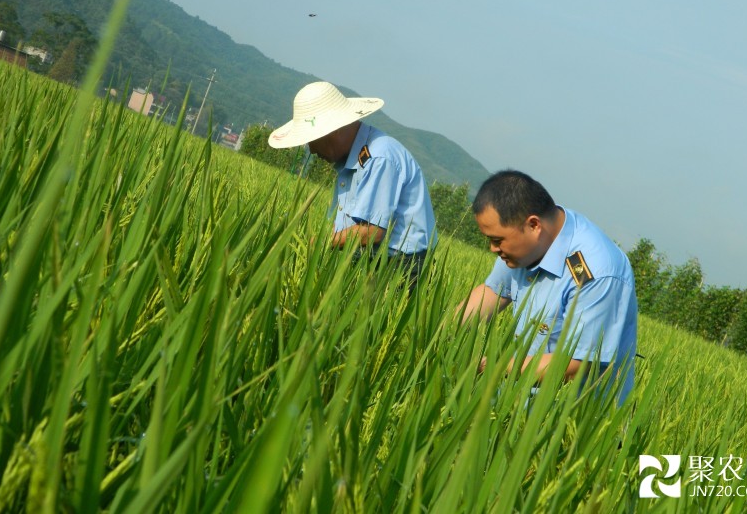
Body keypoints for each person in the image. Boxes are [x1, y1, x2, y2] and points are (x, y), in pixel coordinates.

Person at [460, 170, 637, 404]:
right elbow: (492, 292)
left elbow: (576, 364)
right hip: (519, 398)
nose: (493, 249)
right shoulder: (522, 247)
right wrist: (440, 337)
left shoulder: (595, 271)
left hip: (575, 420)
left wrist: (490, 367)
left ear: (533, 225)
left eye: (497, 240)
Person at [268, 81, 437, 288]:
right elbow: (347, 225)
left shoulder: (378, 157)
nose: (311, 149)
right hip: (370, 259)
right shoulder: (351, 160)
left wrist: (318, 243)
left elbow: (372, 232)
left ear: (334, 131)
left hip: (403, 269)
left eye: (312, 139)